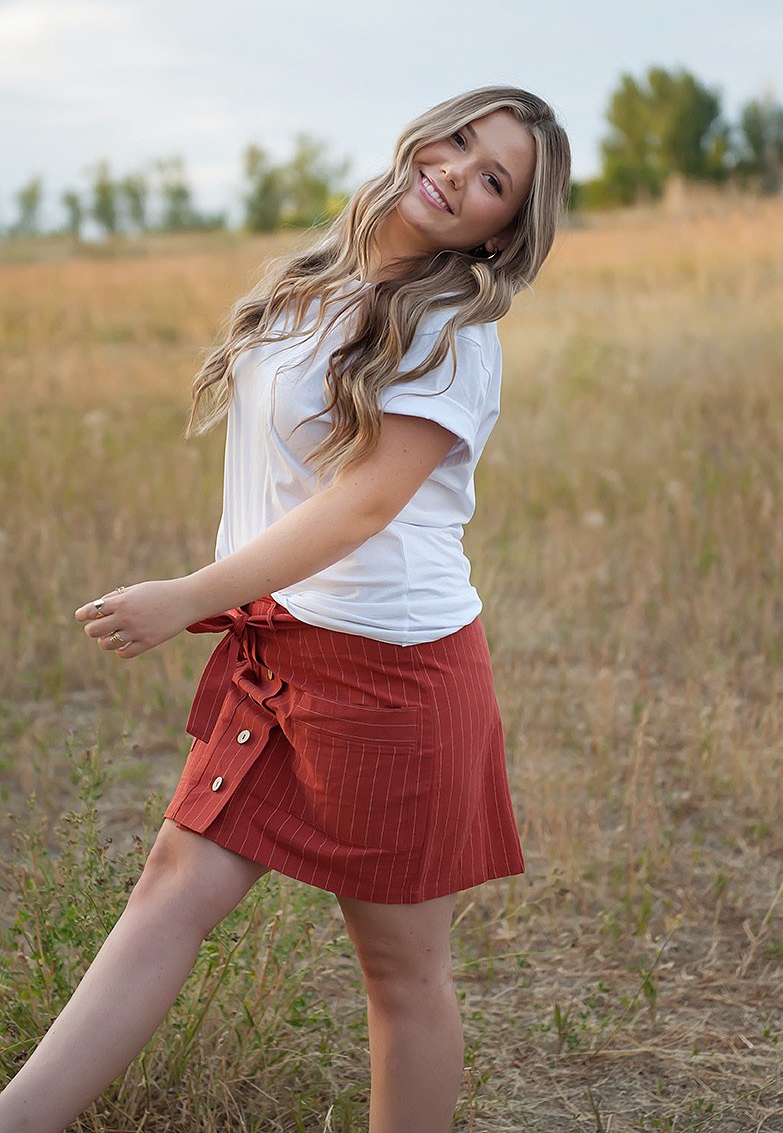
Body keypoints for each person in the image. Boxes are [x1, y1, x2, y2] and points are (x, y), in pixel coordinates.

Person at [0, 85, 571, 1133]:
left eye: (493, 178)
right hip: (282, 655)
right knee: (169, 886)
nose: (455, 171)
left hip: (392, 681)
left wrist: (188, 597)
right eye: (458, 140)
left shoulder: (449, 328)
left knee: (401, 978)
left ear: (504, 227)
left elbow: (362, 505)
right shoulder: (327, 274)